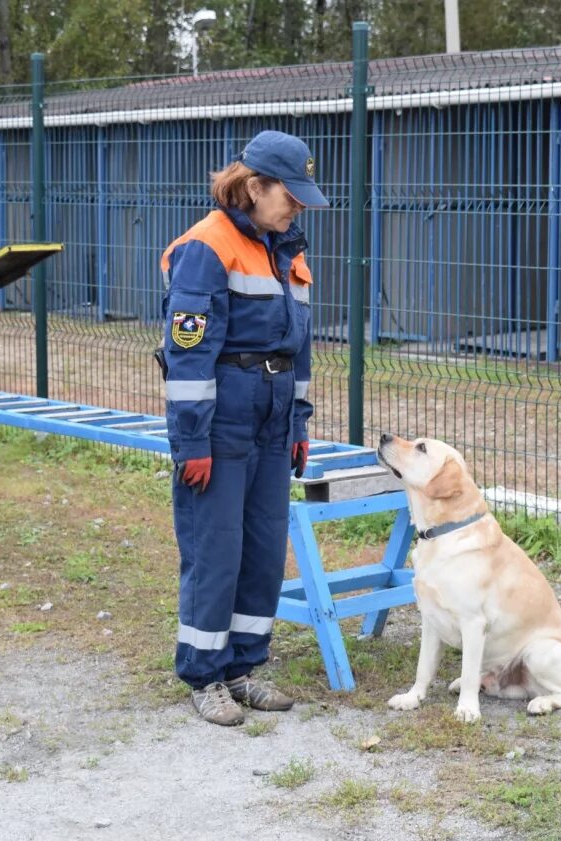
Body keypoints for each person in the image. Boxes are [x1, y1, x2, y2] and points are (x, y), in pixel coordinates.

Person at [159, 130, 326, 726]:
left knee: (261, 550)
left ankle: (243, 669)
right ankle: (205, 674)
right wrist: (192, 441)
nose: (298, 207)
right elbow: (189, 357)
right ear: (254, 187)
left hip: (274, 419)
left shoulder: (289, 251)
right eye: (290, 195)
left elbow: (300, 350)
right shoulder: (207, 247)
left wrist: (299, 424)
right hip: (223, 417)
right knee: (216, 550)